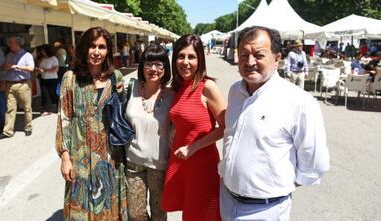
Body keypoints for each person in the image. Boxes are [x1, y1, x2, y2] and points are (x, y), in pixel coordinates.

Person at [219, 26, 330, 221]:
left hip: (265, 210)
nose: (250, 62)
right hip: (227, 199)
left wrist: (276, 189)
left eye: (259, 55)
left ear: (277, 58)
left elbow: (314, 162)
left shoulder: (299, 101)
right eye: (243, 55)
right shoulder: (235, 91)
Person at [55, 27, 128, 220]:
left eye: (102, 47)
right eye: (92, 46)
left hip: (110, 156)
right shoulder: (70, 79)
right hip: (79, 157)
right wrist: (65, 157)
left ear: (108, 51)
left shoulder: (116, 77)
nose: (97, 52)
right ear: (84, 48)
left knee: (108, 208)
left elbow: (122, 115)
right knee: (81, 206)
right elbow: (64, 118)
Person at [161, 34, 226, 221]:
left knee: (202, 213)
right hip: (181, 159)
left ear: (200, 59)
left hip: (202, 163)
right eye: (181, 56)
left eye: (191, 57)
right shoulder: (179, 86)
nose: (185, 62)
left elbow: (225, 127)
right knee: (189, 214)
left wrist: (194, 147)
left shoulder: (208, 87)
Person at [125, 44, 174, 221]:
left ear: (165, 68)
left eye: (159, 64)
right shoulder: (131, 88)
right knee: (135, 214)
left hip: (159, 165)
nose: (153, 69)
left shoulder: (172, 94)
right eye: (148, 63)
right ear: (142, 66)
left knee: (159, 213)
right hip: (133, 161)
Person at [0, 36, 34, 139]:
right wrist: (5, 67)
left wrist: (15, 66)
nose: (9, 45)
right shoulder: (8, 55)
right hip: (9, 84)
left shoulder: (27, 55)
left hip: (23, 84)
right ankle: (8, 131)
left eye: (11, 43)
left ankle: (28, 127)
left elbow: (31, 68)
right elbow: (3, 67)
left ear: (17, 44)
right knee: (10, 108)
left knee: (26, 107)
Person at [36, 44, 59, 115]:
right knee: (45, 94)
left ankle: (58, 106)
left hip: (52, 79)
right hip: (43, 78)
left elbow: (55, 69)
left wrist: (45, 70)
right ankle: (47, 109)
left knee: (53, 94)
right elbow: (39, 66)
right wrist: (38, 70)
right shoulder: (43, 59)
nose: (42, 52)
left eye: (43, 50)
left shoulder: (54, 58)